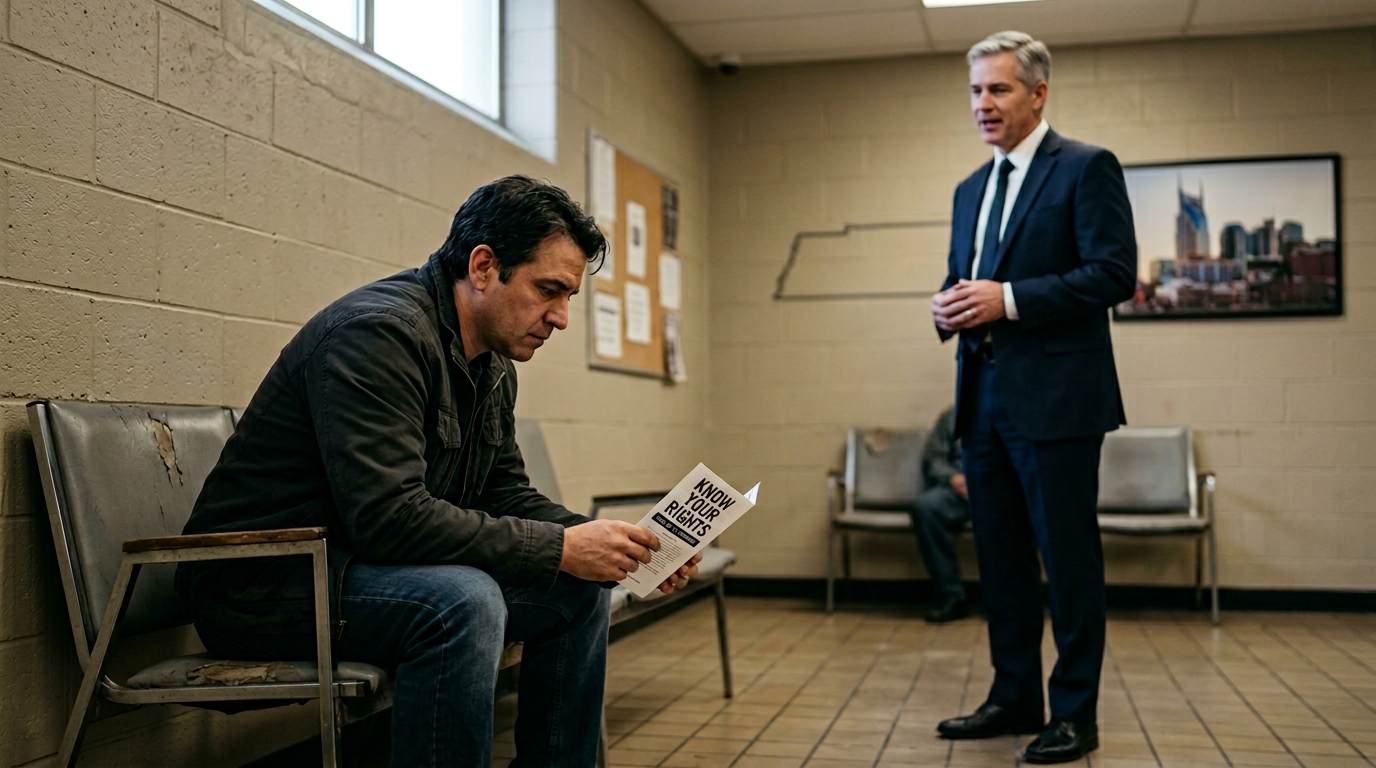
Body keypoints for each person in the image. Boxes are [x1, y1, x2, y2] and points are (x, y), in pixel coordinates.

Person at [175, 176, 702, 768]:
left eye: (569, 297)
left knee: (577, 589)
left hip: (358, 570)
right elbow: (390, 520)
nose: (559, 317)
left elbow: (504, 492)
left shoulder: (492, 365)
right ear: (483, 267)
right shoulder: (377, 335)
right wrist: (561, 547)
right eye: (548, 290)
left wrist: (617, 548)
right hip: (265, 584)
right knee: (462, 601)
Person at [928, 31, 1136, 764]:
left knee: (1068, 563)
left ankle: (1075, 713)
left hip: (1058, 401)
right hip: (981, 399)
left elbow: (1113, 273)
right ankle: (1014, 696)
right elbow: (965, 279)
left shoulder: (1084, 167)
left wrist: (1008, 299)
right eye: (975, 90)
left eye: (999, 89)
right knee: (1002, 561)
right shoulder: (968, 189)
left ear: (1038, 93)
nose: (982, 104)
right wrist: (947, 306)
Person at [911, 406, 971, 624]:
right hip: (958, 491)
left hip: (1000, 491)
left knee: (1022, 511)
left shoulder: (1016, 411)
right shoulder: (952, 416)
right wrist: (953, 478)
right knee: (926, 507)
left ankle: (1008, 600)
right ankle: (951, 596)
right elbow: (934, 458)